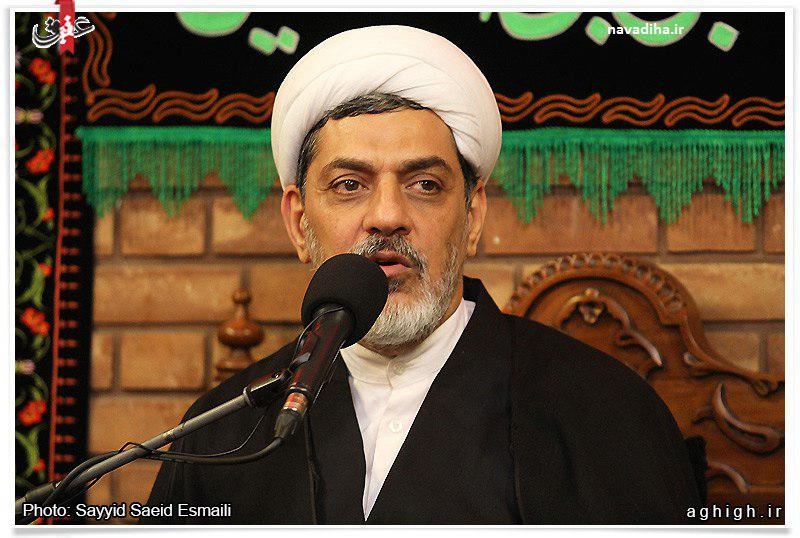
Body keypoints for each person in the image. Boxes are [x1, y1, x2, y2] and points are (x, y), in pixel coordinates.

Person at [144, 25, 702, 525]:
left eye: (424, 185)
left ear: (473, 216)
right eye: (349, 185)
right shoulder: (220, 433)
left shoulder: (603, 413)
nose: (388, 215)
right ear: (298, 222)